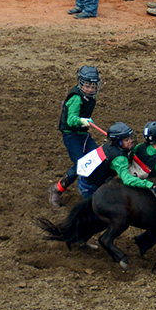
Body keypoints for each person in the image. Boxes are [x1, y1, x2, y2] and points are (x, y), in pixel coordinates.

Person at [49, 65, 100, 207]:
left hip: (83, 134)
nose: (90, 89)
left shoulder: (89, 97)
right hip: (71, 135)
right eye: (87, 86)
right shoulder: (76, 98)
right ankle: (57, 189)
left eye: (93, 86)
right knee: (82, 165)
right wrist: (82, 121)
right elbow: (71, 119)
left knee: (98, 158)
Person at [77, 122, 156, 201]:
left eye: (130, 138)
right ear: (118, 142)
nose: (130, 141)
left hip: (88, 178)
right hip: (90, 187)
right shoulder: (119, 158)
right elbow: (127, 179)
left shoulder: (109, 146)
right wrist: (149, 185)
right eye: (126, 140)